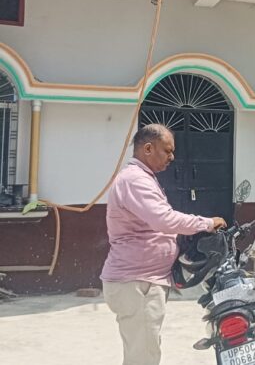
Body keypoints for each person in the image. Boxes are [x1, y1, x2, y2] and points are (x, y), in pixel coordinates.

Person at [101, 123, 226, 365]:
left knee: (145, 351)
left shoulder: (144, 178)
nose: (172, 157)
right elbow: (164, 220)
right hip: (137, 283)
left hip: (144, 280)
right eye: (167, 151)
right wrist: (207, 223)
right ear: (148, 148)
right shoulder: (135, 180)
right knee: (143, 357)